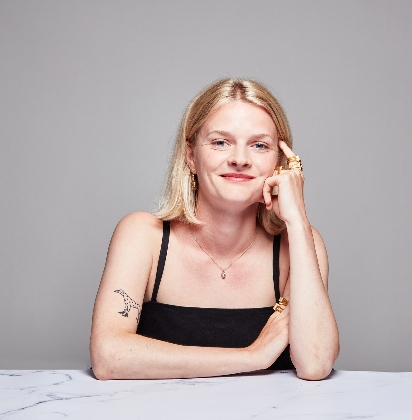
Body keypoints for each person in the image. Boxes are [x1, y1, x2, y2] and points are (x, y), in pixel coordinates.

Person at [89, 79, 339, 380]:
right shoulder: (142, 236)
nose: (240, 159)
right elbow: (108, 357)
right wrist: (251, 357)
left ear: (280, 163)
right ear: (191, 156)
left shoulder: (299, 243)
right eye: (221, 142)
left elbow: (315, 364)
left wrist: (297, 220)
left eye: (259, 145)